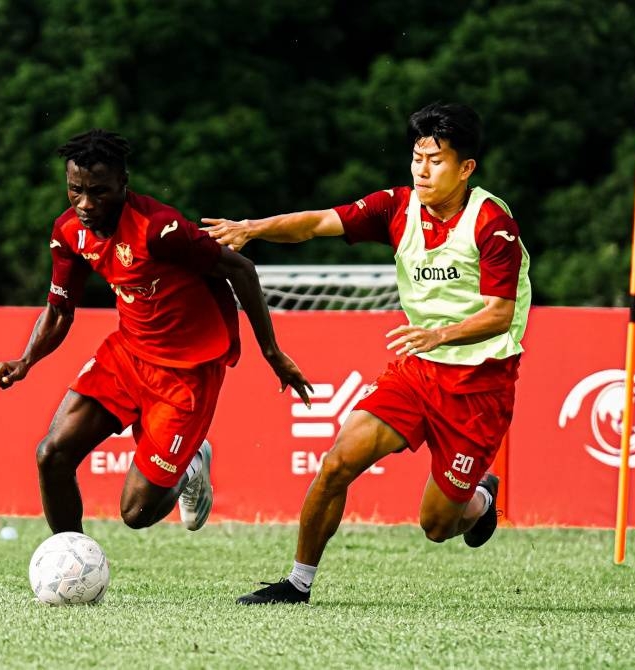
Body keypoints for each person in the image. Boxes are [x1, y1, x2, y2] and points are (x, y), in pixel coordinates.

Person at [203, 102, 531, 605]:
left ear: (466, 168)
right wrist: (253, 227)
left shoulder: (492, 224)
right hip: (416, 372)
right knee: (338, 463)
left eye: (436, 160)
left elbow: (499, 314)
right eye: (417, 157)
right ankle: (297, 583)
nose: (422, 170)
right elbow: (316, 223)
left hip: (478, 386)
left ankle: (480, 499)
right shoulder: (396, 207)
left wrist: (439, 335)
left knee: (438, 525)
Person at [0, 129, 312, 536]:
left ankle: (193, 462)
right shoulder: (69, 231)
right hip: (127, 354)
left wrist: (272, 353)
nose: (85, 204)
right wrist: (26, 360)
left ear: (124, 185)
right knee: (51, 454)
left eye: (99, 192)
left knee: (136, 513)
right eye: (75, 190)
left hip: (187, 371)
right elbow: (59, 309)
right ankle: (68, 557)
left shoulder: (159, 229)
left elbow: (240, 269)